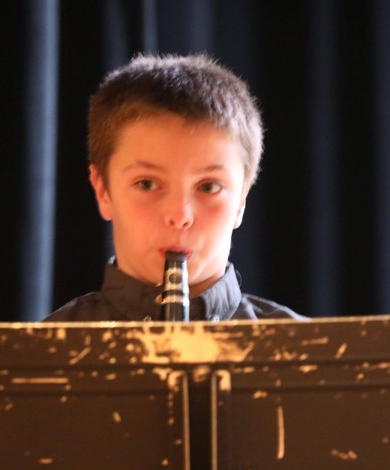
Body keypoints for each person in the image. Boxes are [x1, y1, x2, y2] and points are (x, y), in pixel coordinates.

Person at [45, 53, 302, 322]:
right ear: (102, 190)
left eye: (209, 187)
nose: (180, 216)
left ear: (241, 201)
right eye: (147, 184)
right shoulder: (34, 353)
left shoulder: (309, 352)